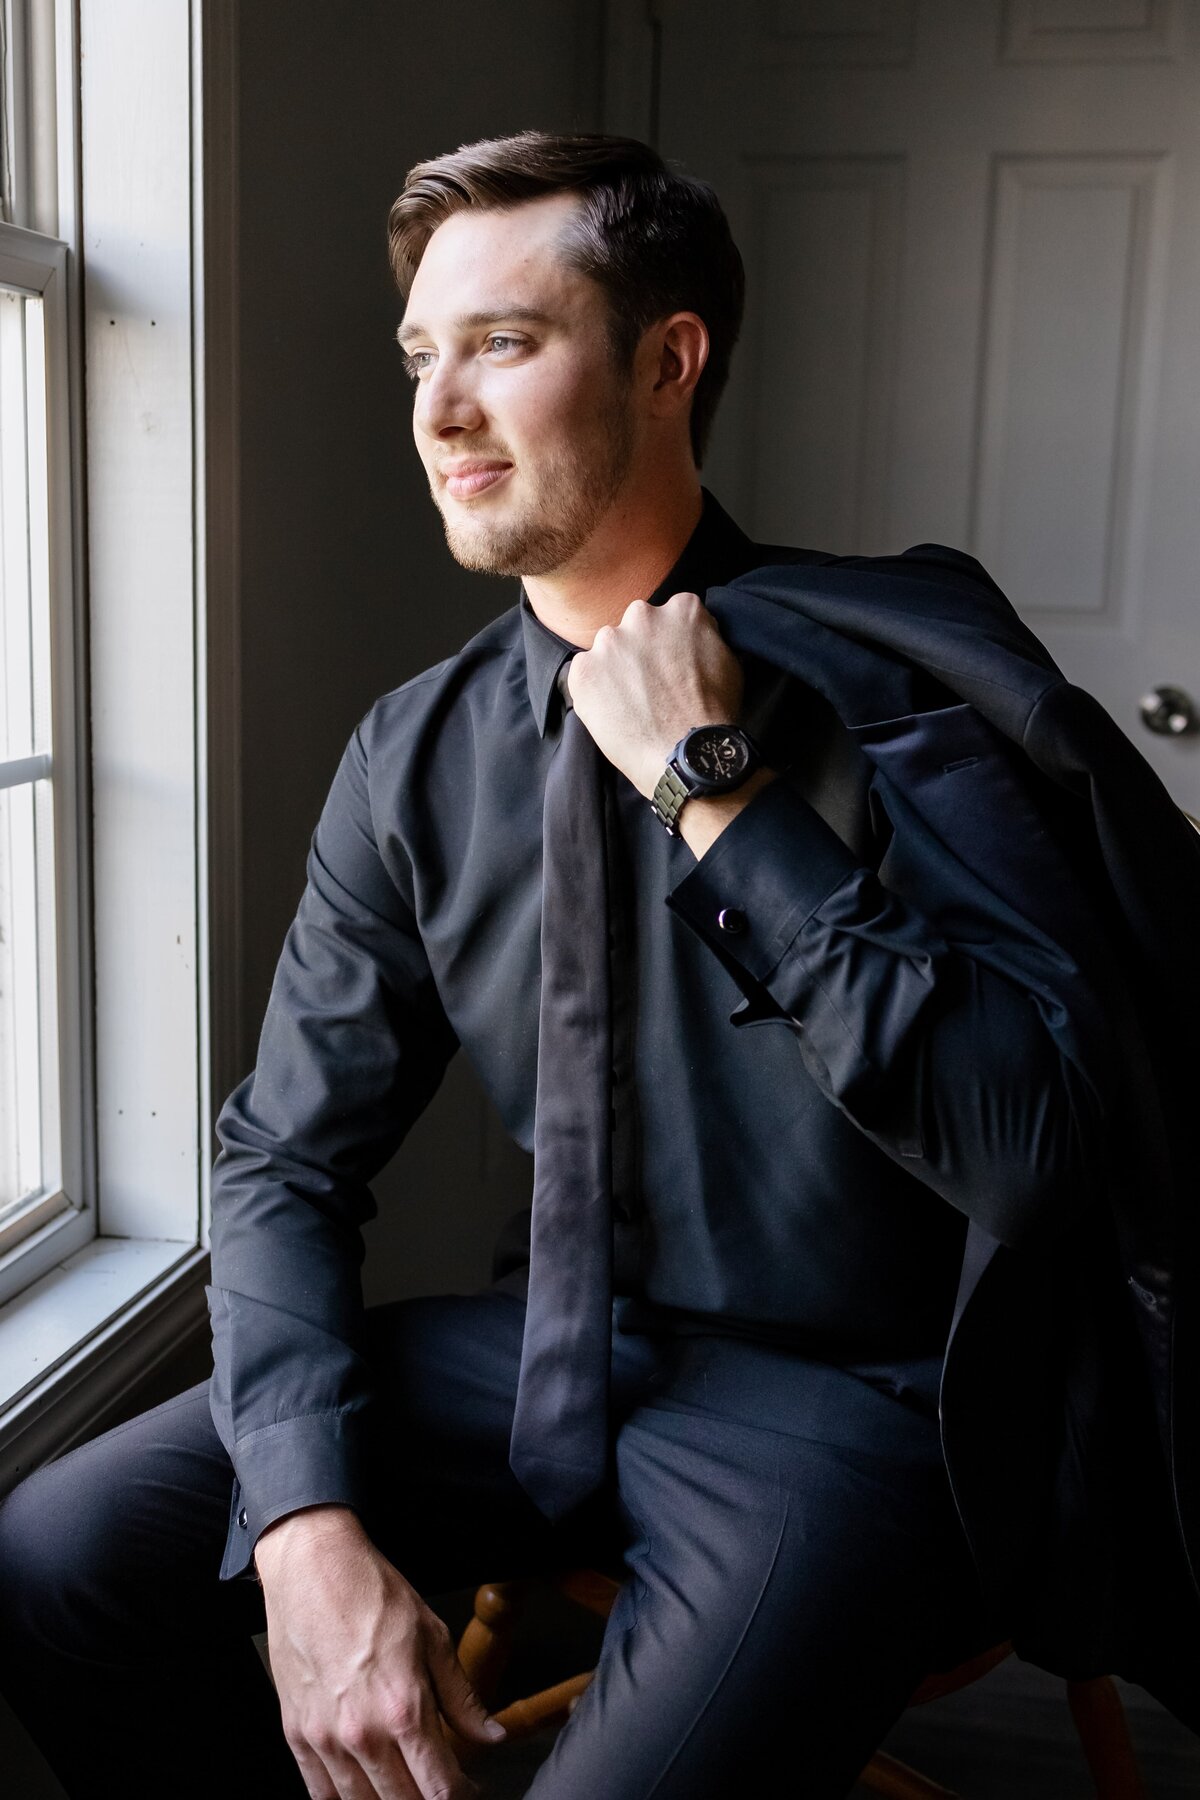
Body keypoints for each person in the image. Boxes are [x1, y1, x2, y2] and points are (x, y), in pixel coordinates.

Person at [0, 129, 1191, 1800]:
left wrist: (723, 795)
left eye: (501, 342)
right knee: (56, 1552)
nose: (436, 409)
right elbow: (284, 1155)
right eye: (421, 352)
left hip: (855, 1409)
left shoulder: (899, 691)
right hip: (550, 1354)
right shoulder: (410, 758)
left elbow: (1034, 1152)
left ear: (665, 362)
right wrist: (306, 1520)